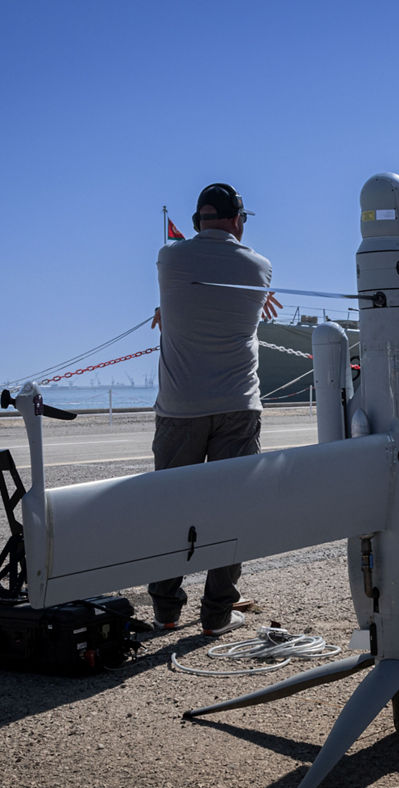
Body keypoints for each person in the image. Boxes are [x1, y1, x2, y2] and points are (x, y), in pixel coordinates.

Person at [147, 182, 281, 636]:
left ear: (195, 219)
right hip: (238, 405)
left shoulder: (170, 258)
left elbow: (185, 292)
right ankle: (216, 616)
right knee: (231, 509)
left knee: (170, 510)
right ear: (238, 220)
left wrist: (170, 306)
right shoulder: (260, 267)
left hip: (179, 408)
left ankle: (166, 611)